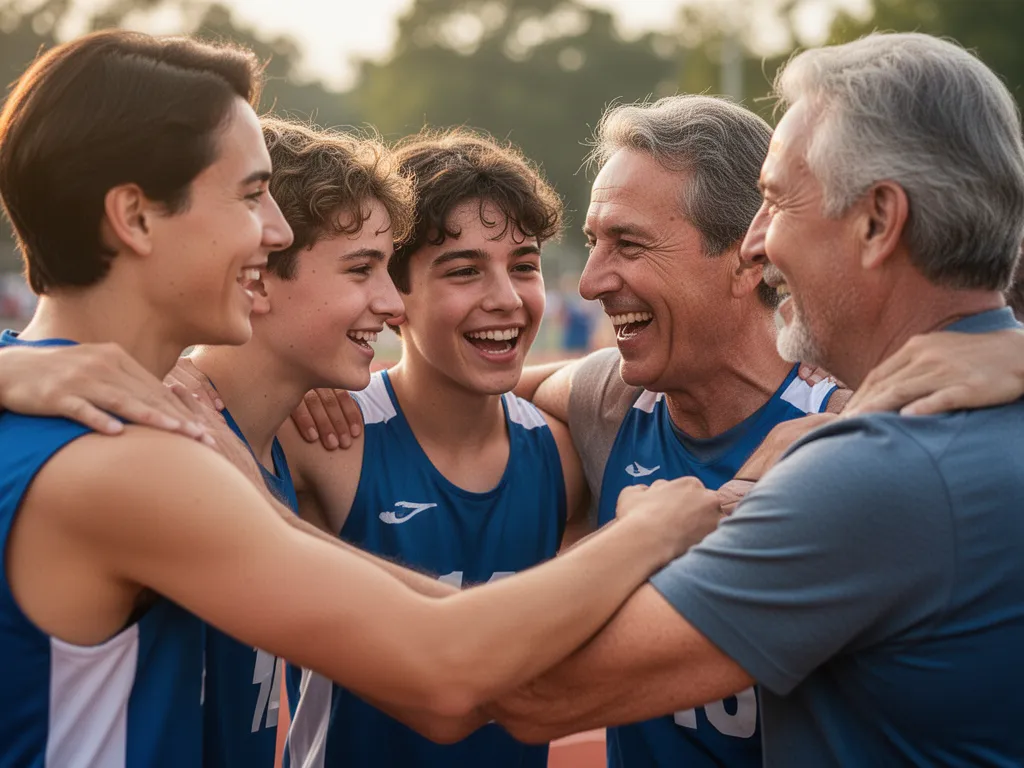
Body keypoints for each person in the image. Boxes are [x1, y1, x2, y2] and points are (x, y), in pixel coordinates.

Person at [0, 29, 721, 766]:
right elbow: (445, 667)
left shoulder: (123, 421)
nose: (275, 228)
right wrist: (648, 533)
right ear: (136, 216)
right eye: (251, 196)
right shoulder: (126, 457)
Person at [484, 31, 1024, 766]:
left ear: (877, 221)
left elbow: (530, 693)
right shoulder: (971, 413)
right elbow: (487, 394)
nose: (757, 242)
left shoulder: (876, 469)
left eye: (775, 203)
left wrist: (645, 531)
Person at [270, 128, 588, 768]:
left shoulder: (565, 456)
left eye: (523, 265)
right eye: (464, 270)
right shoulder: (322, 437)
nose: (505, 297)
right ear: (393, 297)